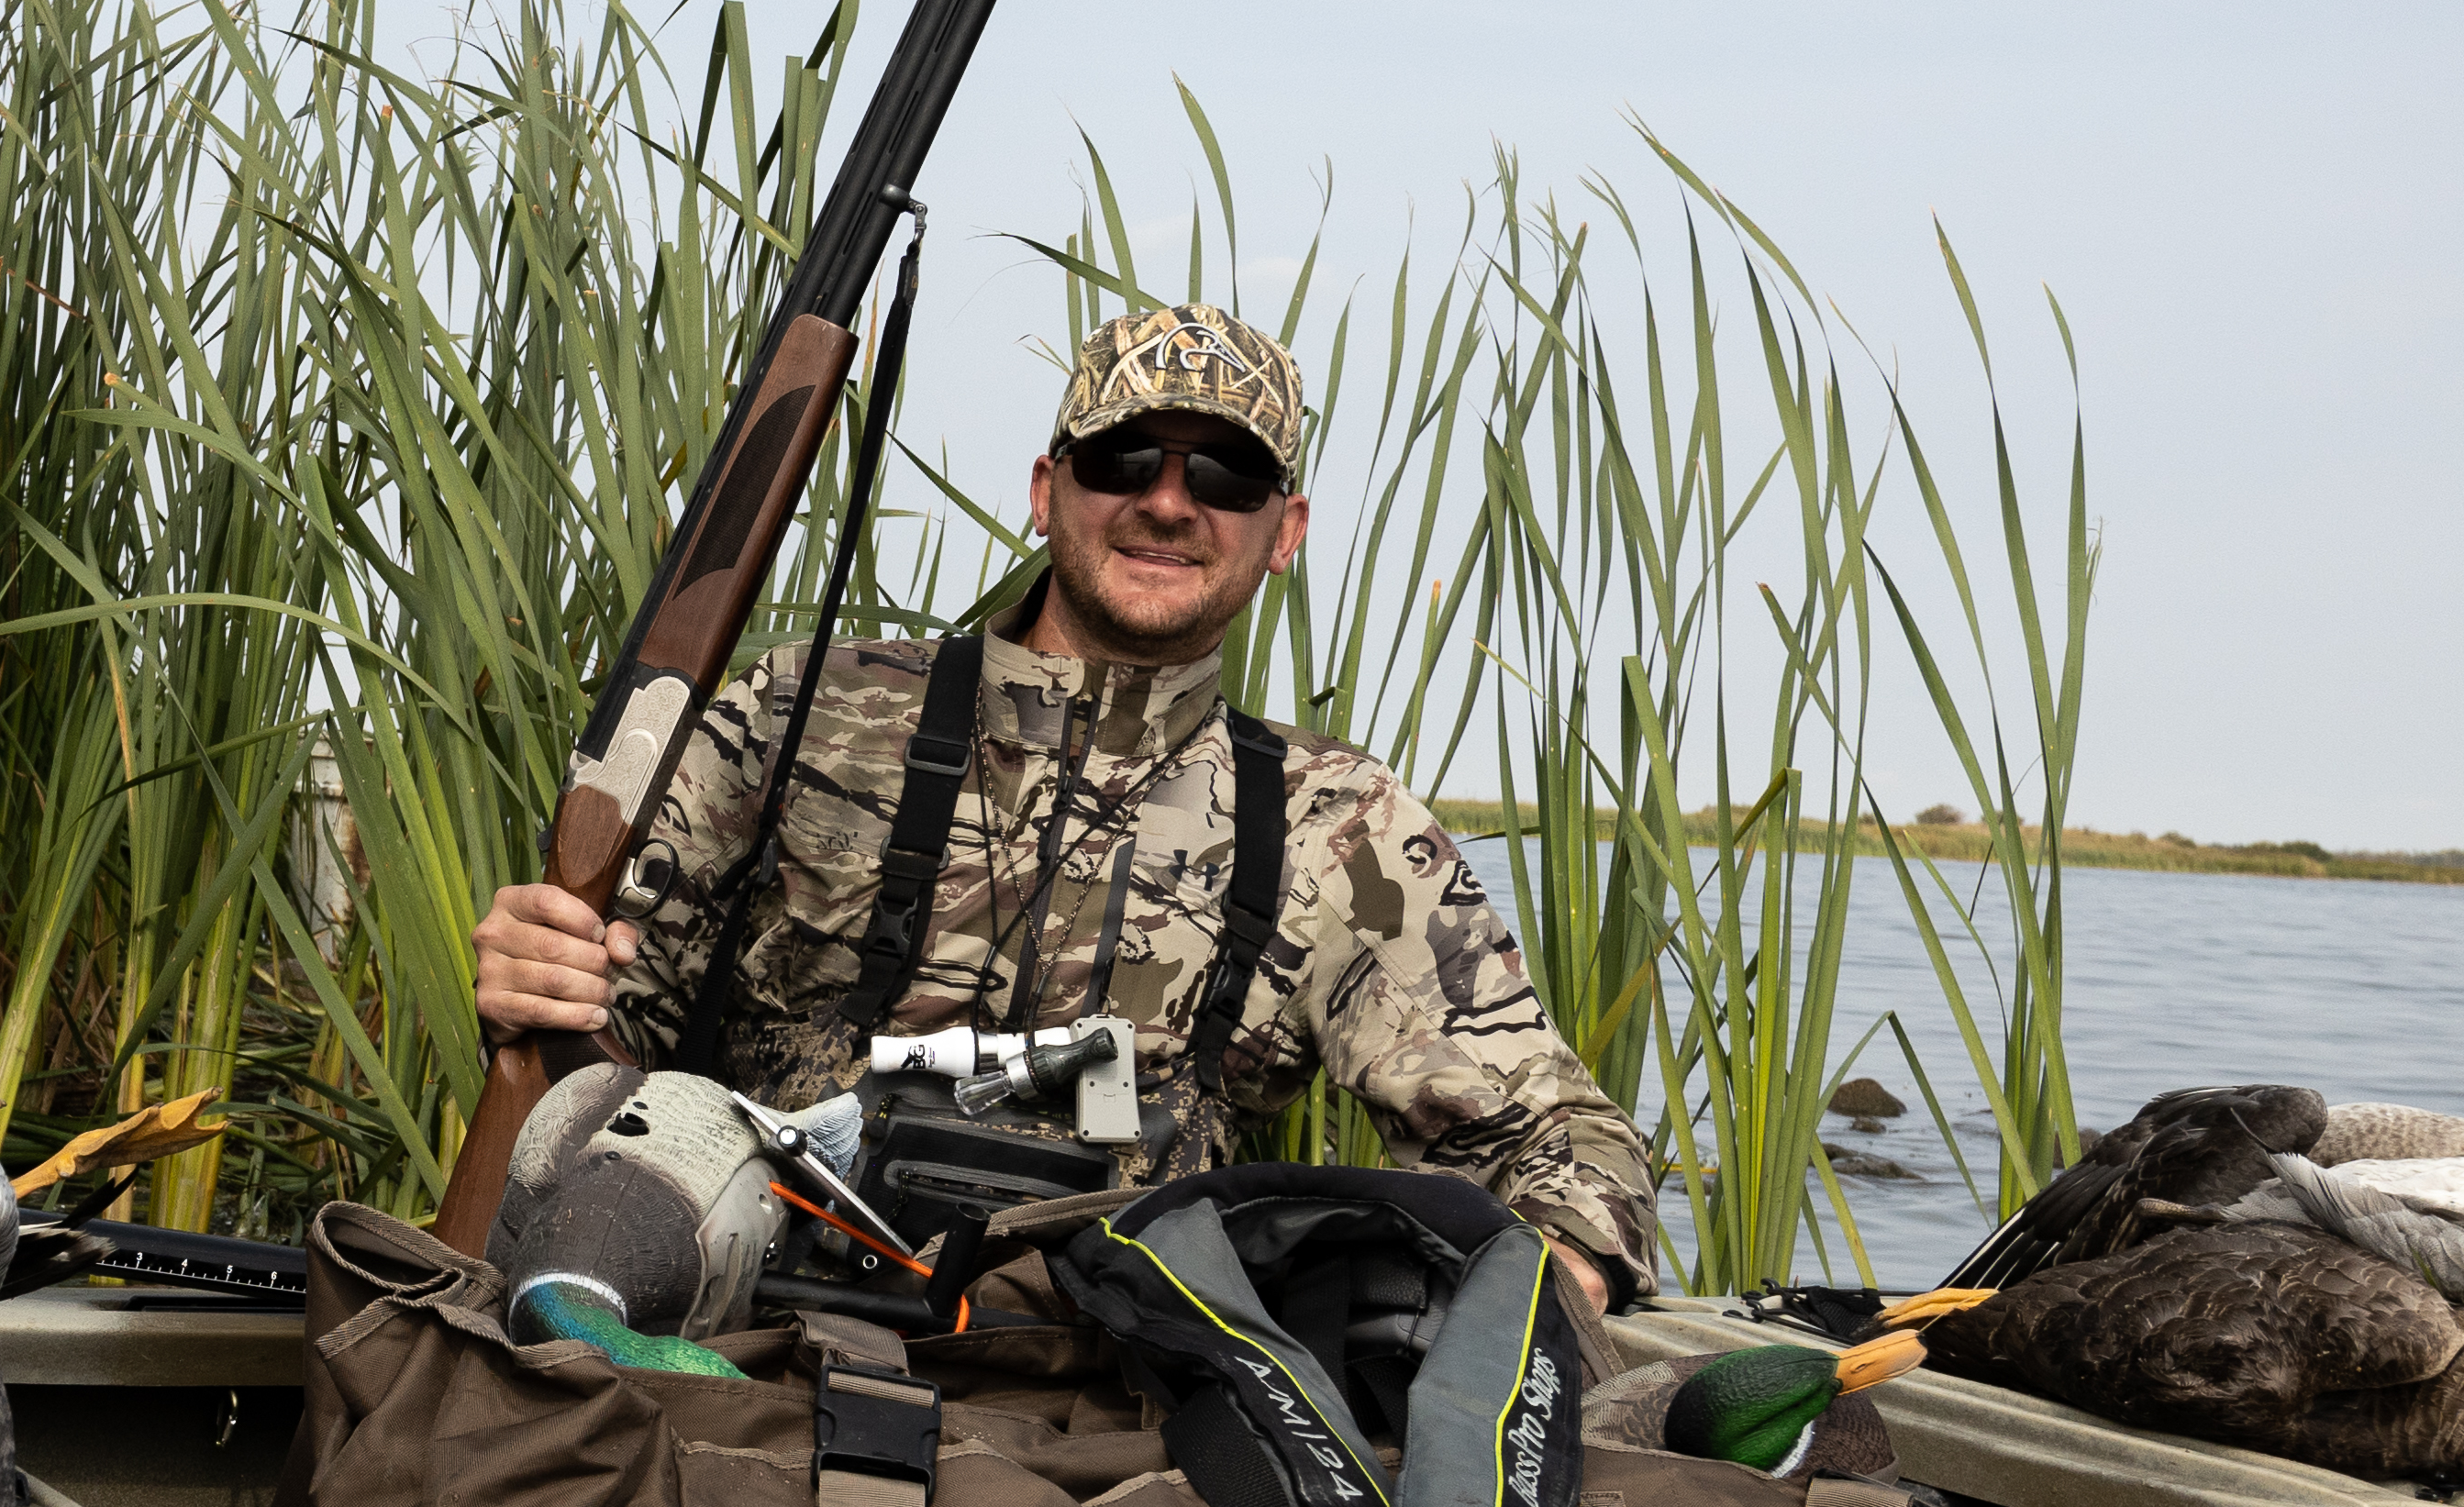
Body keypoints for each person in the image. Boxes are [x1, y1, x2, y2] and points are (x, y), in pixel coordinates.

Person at [469, 301, 1663, 1306]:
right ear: (1049, 490)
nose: (1169, 502)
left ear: (1283, 531)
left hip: (1109, 1397)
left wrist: (1555, 1273)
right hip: (746, 1326)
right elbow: (599, 1030)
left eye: (1227, 475)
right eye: (1125, 459)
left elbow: (1556, 1137)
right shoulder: (799, 714)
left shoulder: (1333, 823)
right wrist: (538, 976)